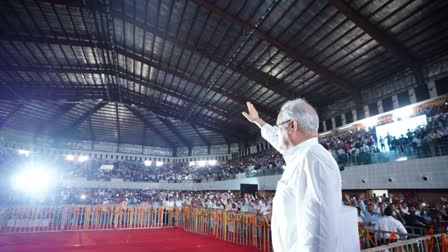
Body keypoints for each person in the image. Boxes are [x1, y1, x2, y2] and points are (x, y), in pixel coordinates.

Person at [242, 99, 359, 252]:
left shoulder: (313, 160)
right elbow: (277, 139)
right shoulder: (302, 154)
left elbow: (319, 234)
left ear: (292, 126)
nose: (277, 132)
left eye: (278, 127)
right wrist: (259, 121)